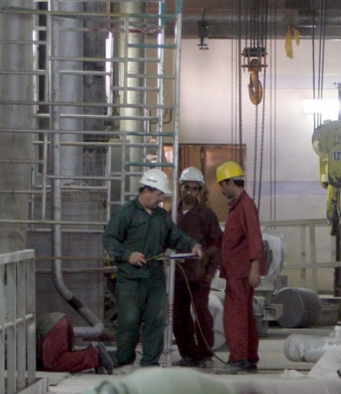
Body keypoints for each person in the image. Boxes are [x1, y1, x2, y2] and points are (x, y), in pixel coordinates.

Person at [101, 169, 203, 373]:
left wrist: (192, 244)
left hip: (154, 278)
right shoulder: (126, 213)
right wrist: (127, 255)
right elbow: (109, 239)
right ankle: (125, 362)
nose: (161, 198)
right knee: (129, 321)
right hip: (130, 280)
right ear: (147, 190)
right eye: (159, 194)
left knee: (156, 320)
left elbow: (175, 237)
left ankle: (149, 364)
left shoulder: (161, 216)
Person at [214, 161, 265, 375]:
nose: (221, 190)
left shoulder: (245, 206)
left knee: (235, 317)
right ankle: (249, 358)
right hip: (238, 271)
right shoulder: (239, 205)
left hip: (240, 272)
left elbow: (255, 236)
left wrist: (255, 267)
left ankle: (238, 359)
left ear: (230, 182)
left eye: (222, 185)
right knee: (245, 316)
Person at [173, 167, 223, 368]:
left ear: (200, 191)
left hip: (199, 276)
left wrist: (209, 273)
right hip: (177, 275)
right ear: (180, 187)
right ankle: (187, 354)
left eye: (194, 189)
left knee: (201, 313)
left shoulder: (206, 215)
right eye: (187, 187)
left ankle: (204, 355)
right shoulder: (172, 214)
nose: (190, 192)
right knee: (179, 315)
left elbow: (216, 245)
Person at [36, 312, 114, 374]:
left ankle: (96, 355)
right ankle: (92, 352)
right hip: (60, 321)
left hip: (53, 325)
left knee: (52, 364)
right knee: (63, 358)